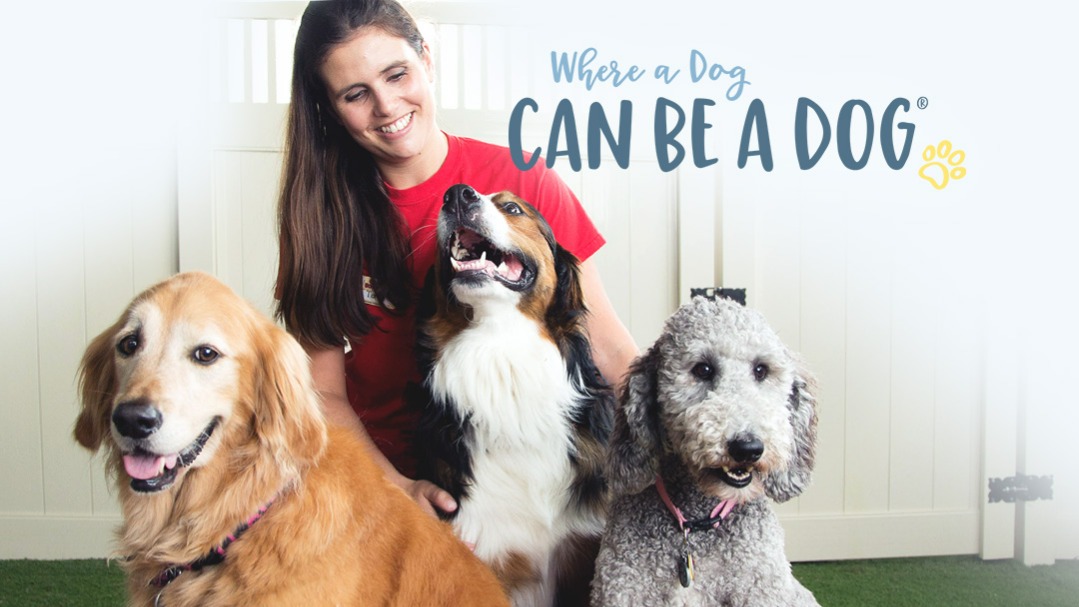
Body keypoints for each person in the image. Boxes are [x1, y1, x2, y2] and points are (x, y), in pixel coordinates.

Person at [276, 0, 638, 516]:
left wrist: (671, 458)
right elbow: (321, 394)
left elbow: (608, 348)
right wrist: (396, 490)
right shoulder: (318, 221)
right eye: (356, 94)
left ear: (426, 58)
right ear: (329, 108)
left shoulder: (524, 181)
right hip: (382, 473)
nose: (386, 106)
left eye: (396, 74)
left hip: (536, 473)